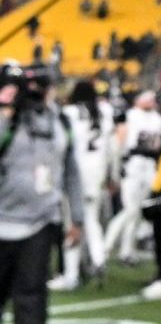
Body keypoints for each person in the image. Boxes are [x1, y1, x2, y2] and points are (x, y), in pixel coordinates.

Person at [0, 65, 85, 324]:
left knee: (32, 297)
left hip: (42, 220)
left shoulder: (61, 122)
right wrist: (7, 112)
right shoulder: (8, 119)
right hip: (2, 219)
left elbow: (71, 172)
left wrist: (77, 218)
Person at [49, 80, 113, 292]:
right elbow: (110, 146)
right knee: (92, 220)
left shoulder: (69, 113)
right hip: (97, 172)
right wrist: (111, 174)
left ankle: (71, 274)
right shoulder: (105, 111)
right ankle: (98, 258)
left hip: (75, 174)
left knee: (73, 224)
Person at [104, 90, 161, 265]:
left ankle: (126, 250)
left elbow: (160, 143)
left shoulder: (159, 120)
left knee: (137, 211)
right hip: (131, 165)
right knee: (130, 210)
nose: (151, 100)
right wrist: (116, 170)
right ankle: (107, 246)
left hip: (149, 166)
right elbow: (117, 143)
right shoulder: (129, 116)